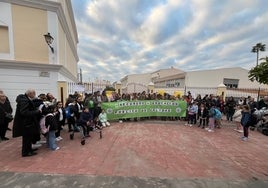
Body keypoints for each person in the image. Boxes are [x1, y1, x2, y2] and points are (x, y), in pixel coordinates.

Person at [13, 89, 42, 157]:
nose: (35, 95)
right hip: (26, 123)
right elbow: (24, 112)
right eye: (34, 93)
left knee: (29, 137)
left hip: (28, 123)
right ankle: (26, 152)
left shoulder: (25, 99)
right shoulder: (24, 100)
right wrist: (37, 111)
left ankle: (29, 149)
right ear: (30, 94)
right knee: (27, 138)